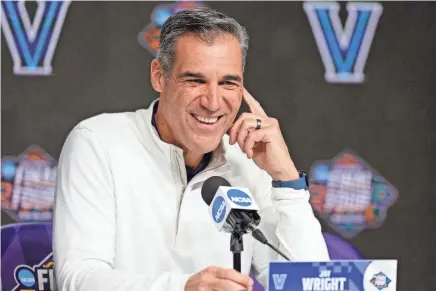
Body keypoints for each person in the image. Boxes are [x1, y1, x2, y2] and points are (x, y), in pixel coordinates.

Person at [53, 6, 329, 291]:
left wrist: (286, 179)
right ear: (159, 76)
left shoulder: (247, 159)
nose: (212, 102)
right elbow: (78, 278)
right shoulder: (98, 142)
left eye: (228, 83)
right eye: (195, 81)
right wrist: (182, 288)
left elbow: (309, 285)